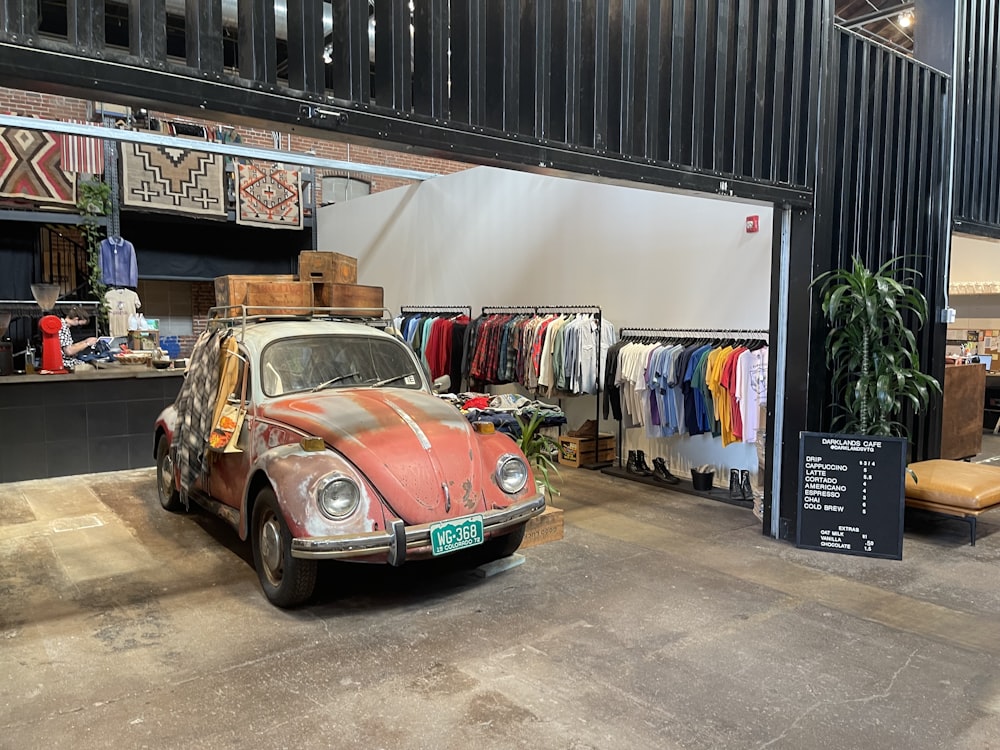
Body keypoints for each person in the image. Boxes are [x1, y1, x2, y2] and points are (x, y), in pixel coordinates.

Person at [60, 305, 98, 370]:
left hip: (64, 360)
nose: (78, 327)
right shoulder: (63, 327)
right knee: (91, 367)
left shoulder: (63, 325)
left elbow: (69, 346)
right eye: (80, 325)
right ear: (76, 319)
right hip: (64, 362)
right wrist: (87, 344)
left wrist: (85, 341)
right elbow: (69, 351)